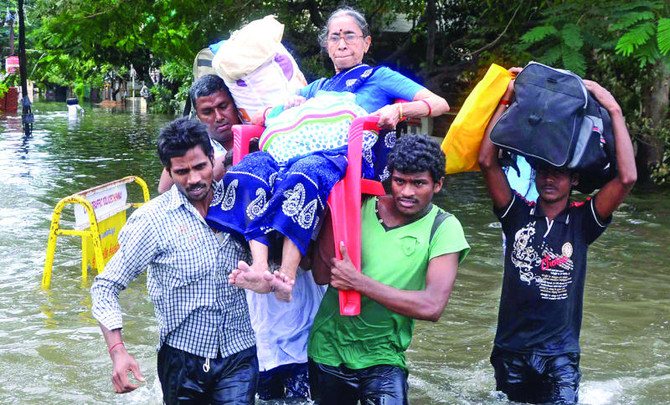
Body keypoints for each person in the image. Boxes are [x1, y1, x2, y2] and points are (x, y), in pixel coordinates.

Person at [209, 7, 450, 304]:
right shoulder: (318, 88)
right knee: (251, 166)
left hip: (347, 155)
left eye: (350, 36)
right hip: (300, 150)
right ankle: (259, 268)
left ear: (366, 42)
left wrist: (398, 110)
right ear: (327, 45)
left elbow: (438, 103)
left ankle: (286, 276)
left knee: (305, 170)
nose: (342, 43)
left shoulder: (380, 77)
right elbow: (259, 116)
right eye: (334, 37)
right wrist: (289, 105)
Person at [478, 70, 637, 404]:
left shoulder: (582, 222)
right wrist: (509, 101)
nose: (550, 179)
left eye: (559, 173)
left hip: (560, 356)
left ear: (573, 179)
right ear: (534, 175)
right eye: (543, 171)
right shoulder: (515, 214)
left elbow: (626, 178)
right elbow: (487, 161)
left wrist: (615, 111)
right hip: (511, 350)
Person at [90, 118, 257, 404]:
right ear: (168, 171)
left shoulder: (242, 201)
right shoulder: (152, 220)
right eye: (182, 171)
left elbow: (278, 265)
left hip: (239, 355)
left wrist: (267, 277)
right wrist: (117, 350)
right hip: (181, 361)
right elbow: (105, 286)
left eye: (200, 167)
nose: (193, 179)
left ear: (213, 160)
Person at [306, 134, 470, 404]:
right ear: (390, 177)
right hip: (328, 348)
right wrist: (336, 206)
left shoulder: (444, 227)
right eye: (400, 181)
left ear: (438, 184)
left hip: (384, 354)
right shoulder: (359, 205)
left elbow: (431, 307)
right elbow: (322, 275)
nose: (406, 192)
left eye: (419, 183)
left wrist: (359, 283)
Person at [157, 74, 242, 193]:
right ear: (197, 115)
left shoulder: (258, 132)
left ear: (234, 104)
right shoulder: (190, 141)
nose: (218, 117)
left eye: (223, 107)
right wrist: (236, 154)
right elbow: (164, 191)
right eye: (207, 112)